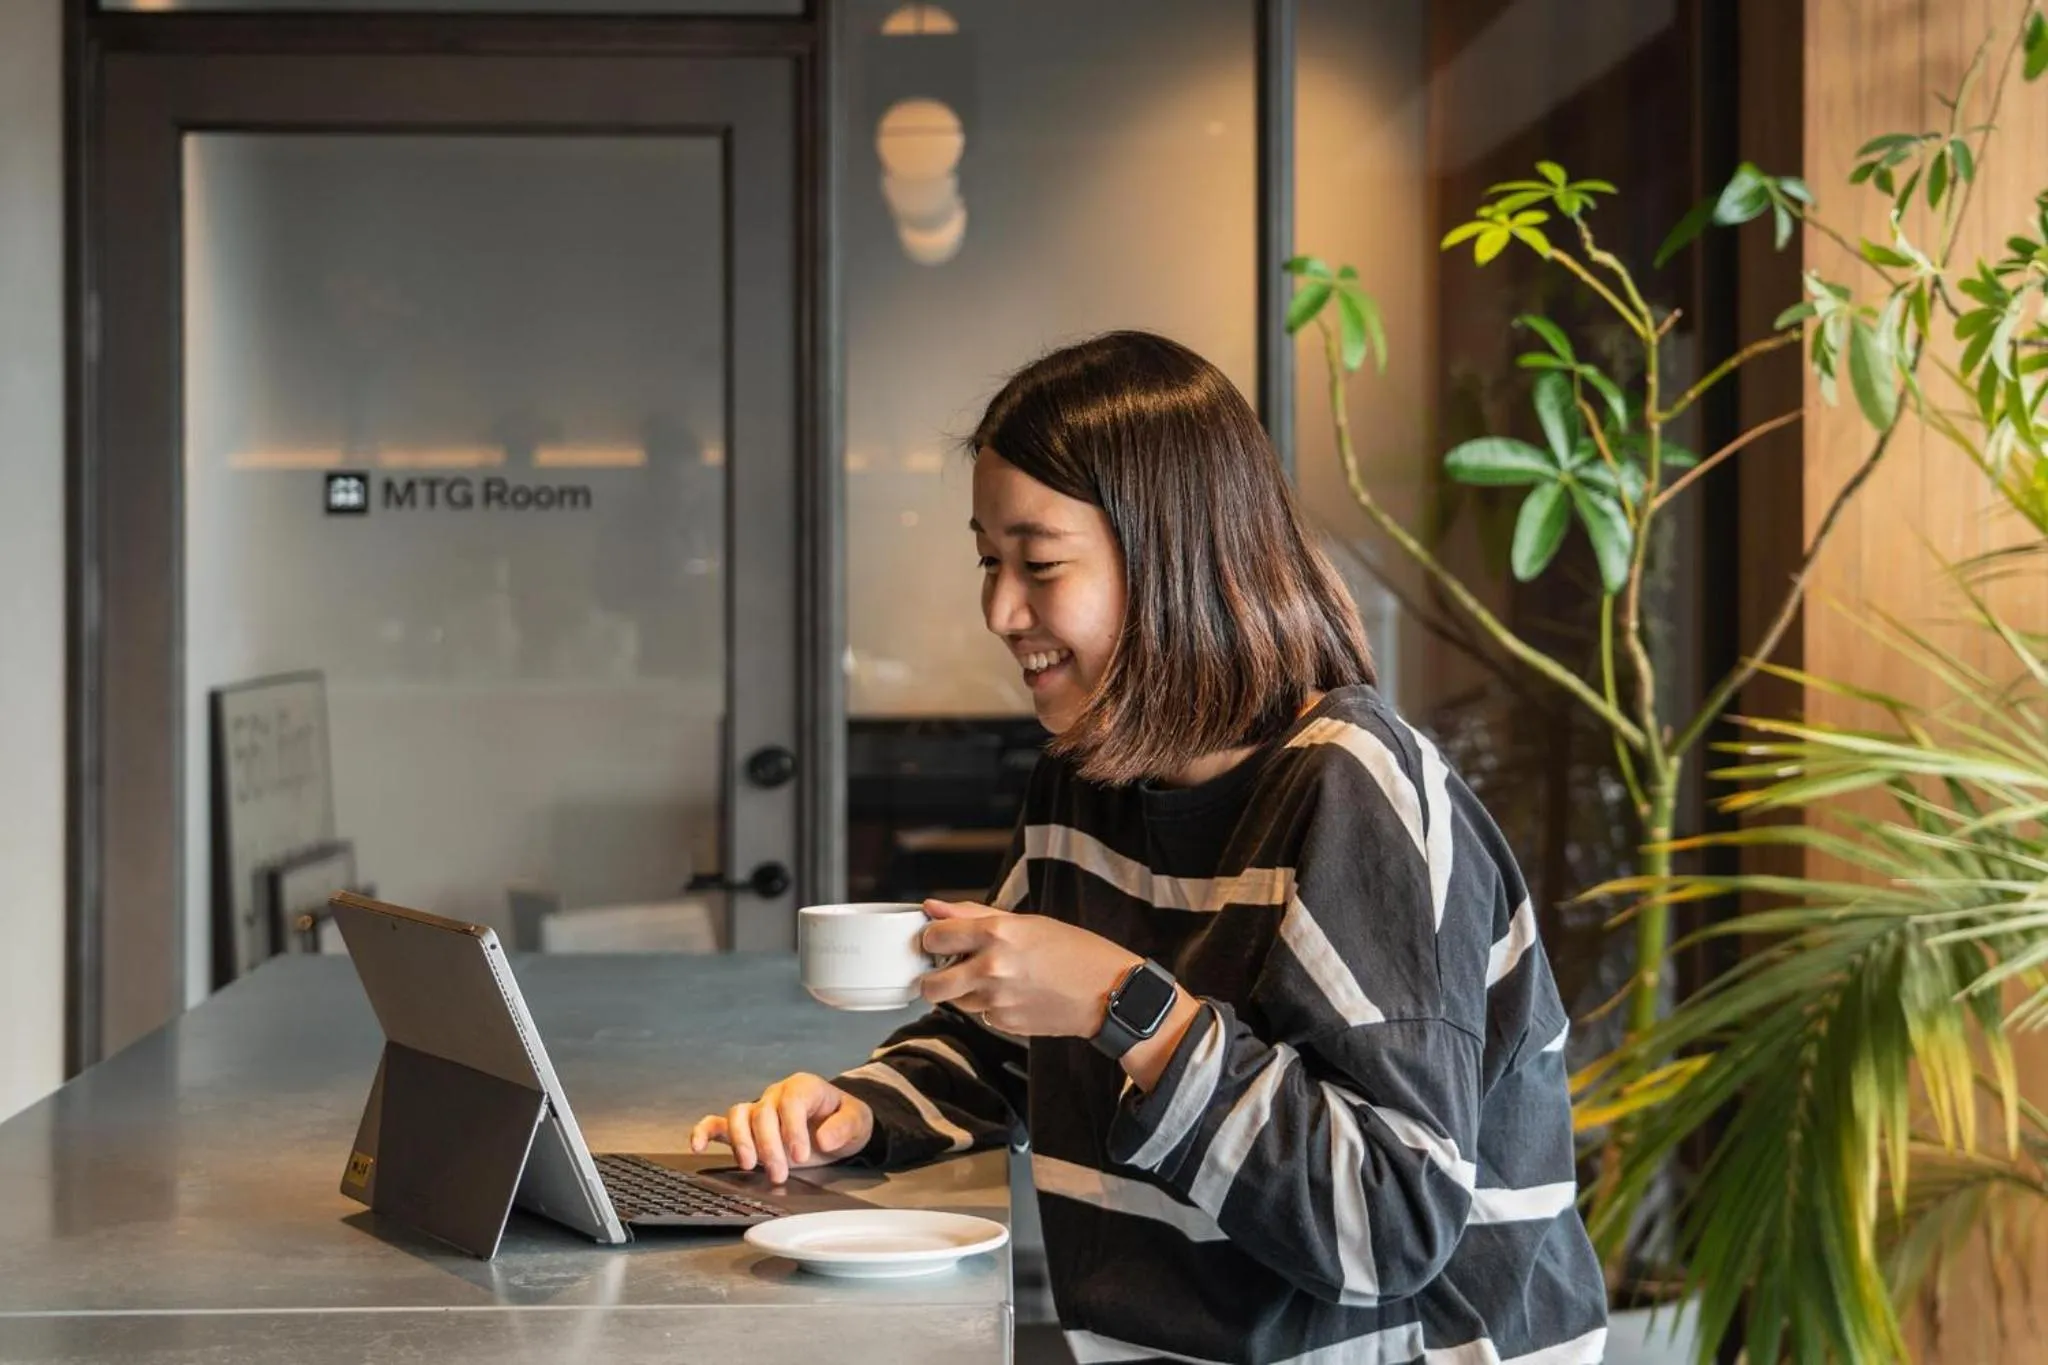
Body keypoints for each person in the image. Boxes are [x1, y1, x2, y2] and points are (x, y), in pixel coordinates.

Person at [690, 331, 1608, 1365]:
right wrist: (860, 1111)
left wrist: (1125, 1007)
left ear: (1178, 555)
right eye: (989, 563)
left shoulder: (1350, 791)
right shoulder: (1086, 775)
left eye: (1038, 565)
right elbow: (1016, 1049)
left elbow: (1385, 1224)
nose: (999, 611)